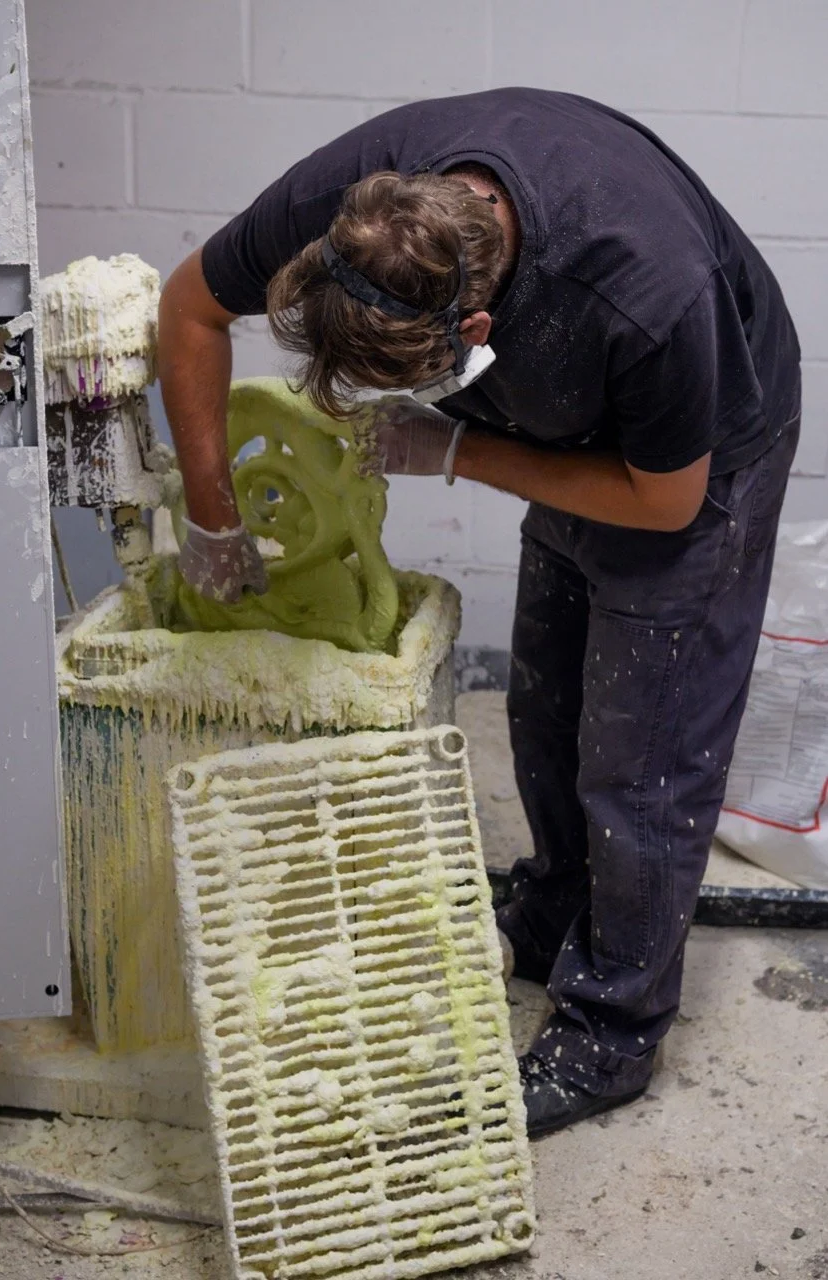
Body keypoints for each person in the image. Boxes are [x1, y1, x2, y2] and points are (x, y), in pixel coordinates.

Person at [158, 88, 801, 1137]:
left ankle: (611, 1030)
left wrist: (460, 450)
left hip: (698, 450)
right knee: (545, 704)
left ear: (476, 329)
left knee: (641, 756)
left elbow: (662, 500)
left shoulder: (647, 290)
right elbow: (190, 306)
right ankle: (550, 909)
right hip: (566, 403)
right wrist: (212, 513)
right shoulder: (356, 205)